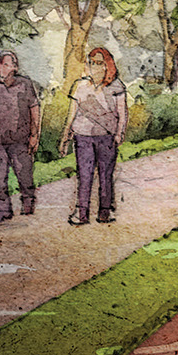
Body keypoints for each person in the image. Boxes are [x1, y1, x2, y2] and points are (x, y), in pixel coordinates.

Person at [60, 47, 127, 225]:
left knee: (106, 176)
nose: (94, 66)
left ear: (107, 66)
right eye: (91, 62)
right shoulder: (80, 86)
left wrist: (120, 133)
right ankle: (81, 213)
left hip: (106, 137)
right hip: (83, 137)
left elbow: (122, 112)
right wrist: (65, 136)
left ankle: (105, 212)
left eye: (99, 63)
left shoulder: (117, 86)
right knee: (84, 175)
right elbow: (71, 114)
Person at [0, 51, 42, 222]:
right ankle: (3, 210)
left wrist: (35, 135)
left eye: (6, 64)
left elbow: (34, 109)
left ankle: (28, 201)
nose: (1, 68)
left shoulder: (25, 84)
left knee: (24, 175)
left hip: (20, 141)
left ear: (15, 67)